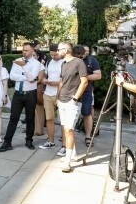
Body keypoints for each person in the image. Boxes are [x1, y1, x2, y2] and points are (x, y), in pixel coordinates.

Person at [0, 42, 43, 152]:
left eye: (26, 50)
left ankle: (29, 140)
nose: (24, 52)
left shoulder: (36, 64)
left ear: (32, 51)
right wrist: (25, 76)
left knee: (30, 118)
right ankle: (7, 142)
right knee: (13, 118)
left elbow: (32, 78)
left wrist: (24, 68)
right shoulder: (17, 61)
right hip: (18, 93)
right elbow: (12, 76)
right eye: (23, 50)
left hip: (30, 94)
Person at [57, 43, 88, 172]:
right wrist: (57, 98)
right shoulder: (63, 63)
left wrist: (75, 98)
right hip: (62, 100)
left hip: (72, 101)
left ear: (66, 50)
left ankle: (68, 161)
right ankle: (73, 154)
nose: (57, 51)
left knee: (69, 130)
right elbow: (62, 81)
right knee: (65, 129)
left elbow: (84, 81)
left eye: (59, 49)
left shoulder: (79, 62)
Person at [38, 44, 63, 149]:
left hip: (61, 94)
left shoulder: (65, 62)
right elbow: (45, 75)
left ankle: (65, 145)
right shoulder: (49, 62)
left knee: (63, 121)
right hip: (48, 93)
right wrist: (44, 80)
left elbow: (65, 80)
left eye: (55, 55)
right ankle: (51, 141)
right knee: (49, 119)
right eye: (52, 55)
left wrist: (55, 83)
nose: (54, 57)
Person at [77, 45, 102, 147]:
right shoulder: (72, 60)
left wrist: (84, 77)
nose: (81, 56)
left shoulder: (92, 61)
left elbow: (98, 75)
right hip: (73, 91)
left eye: (83, 54)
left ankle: (88, 136)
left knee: (87, 113)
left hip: (86, 91)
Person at [33, 49, 47, 136]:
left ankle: (38, 130)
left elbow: (41, 78)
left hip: (38, 89)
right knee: (31, 110)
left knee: (39, 109)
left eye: (34, 55)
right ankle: (32, 128)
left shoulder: (41, 66)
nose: (32, 57)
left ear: (38, 57)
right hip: (30, 89)